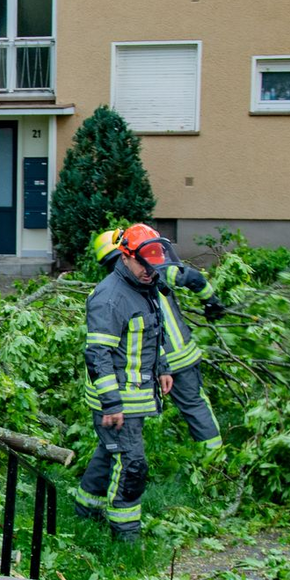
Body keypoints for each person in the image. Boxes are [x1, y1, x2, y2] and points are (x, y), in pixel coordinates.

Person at [75, 223, 176, 541]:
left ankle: (85, 508)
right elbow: (98, 355)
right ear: (125, 256)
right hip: (118, 398)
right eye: (143, 265)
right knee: (132, 463)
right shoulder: (110, 298)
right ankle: (125, 532)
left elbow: (153, 333)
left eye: (154, 265)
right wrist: (112, 403)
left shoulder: (146, 287)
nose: (150, 272)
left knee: (110, 451)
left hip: (135, 394)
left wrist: (163, 366)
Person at [92, 227, 224, 450]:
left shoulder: (130, 282)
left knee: (171, 409)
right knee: (194, 405)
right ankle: (215, 457)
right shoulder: (155, 270)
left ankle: (216, 459)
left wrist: (211, 301)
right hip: (173, 356)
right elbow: (193, 277)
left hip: (155, 361)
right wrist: (210, 301)